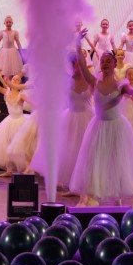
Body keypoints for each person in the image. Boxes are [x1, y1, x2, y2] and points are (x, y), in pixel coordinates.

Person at [67, 46, 133, 207]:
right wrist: (78, 48)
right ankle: (88, 195)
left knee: (116, 160)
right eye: (102, 61)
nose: (105, 63)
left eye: (108, 61)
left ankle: (117, 195)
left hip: (116, 127)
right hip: (99, 127)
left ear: (114, 64)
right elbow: (83, 67)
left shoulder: (120, 85)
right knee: (93, 160)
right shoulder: (94, 82)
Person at [29, 50, 94, 195]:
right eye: (76, 64)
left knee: (83, 152)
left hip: (86, 118)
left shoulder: (91, 80)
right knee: (69, 151)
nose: (79, 67)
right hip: (70, 118)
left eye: (81, 64)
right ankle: (72, 186)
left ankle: (83, 186)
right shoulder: (67, 81)